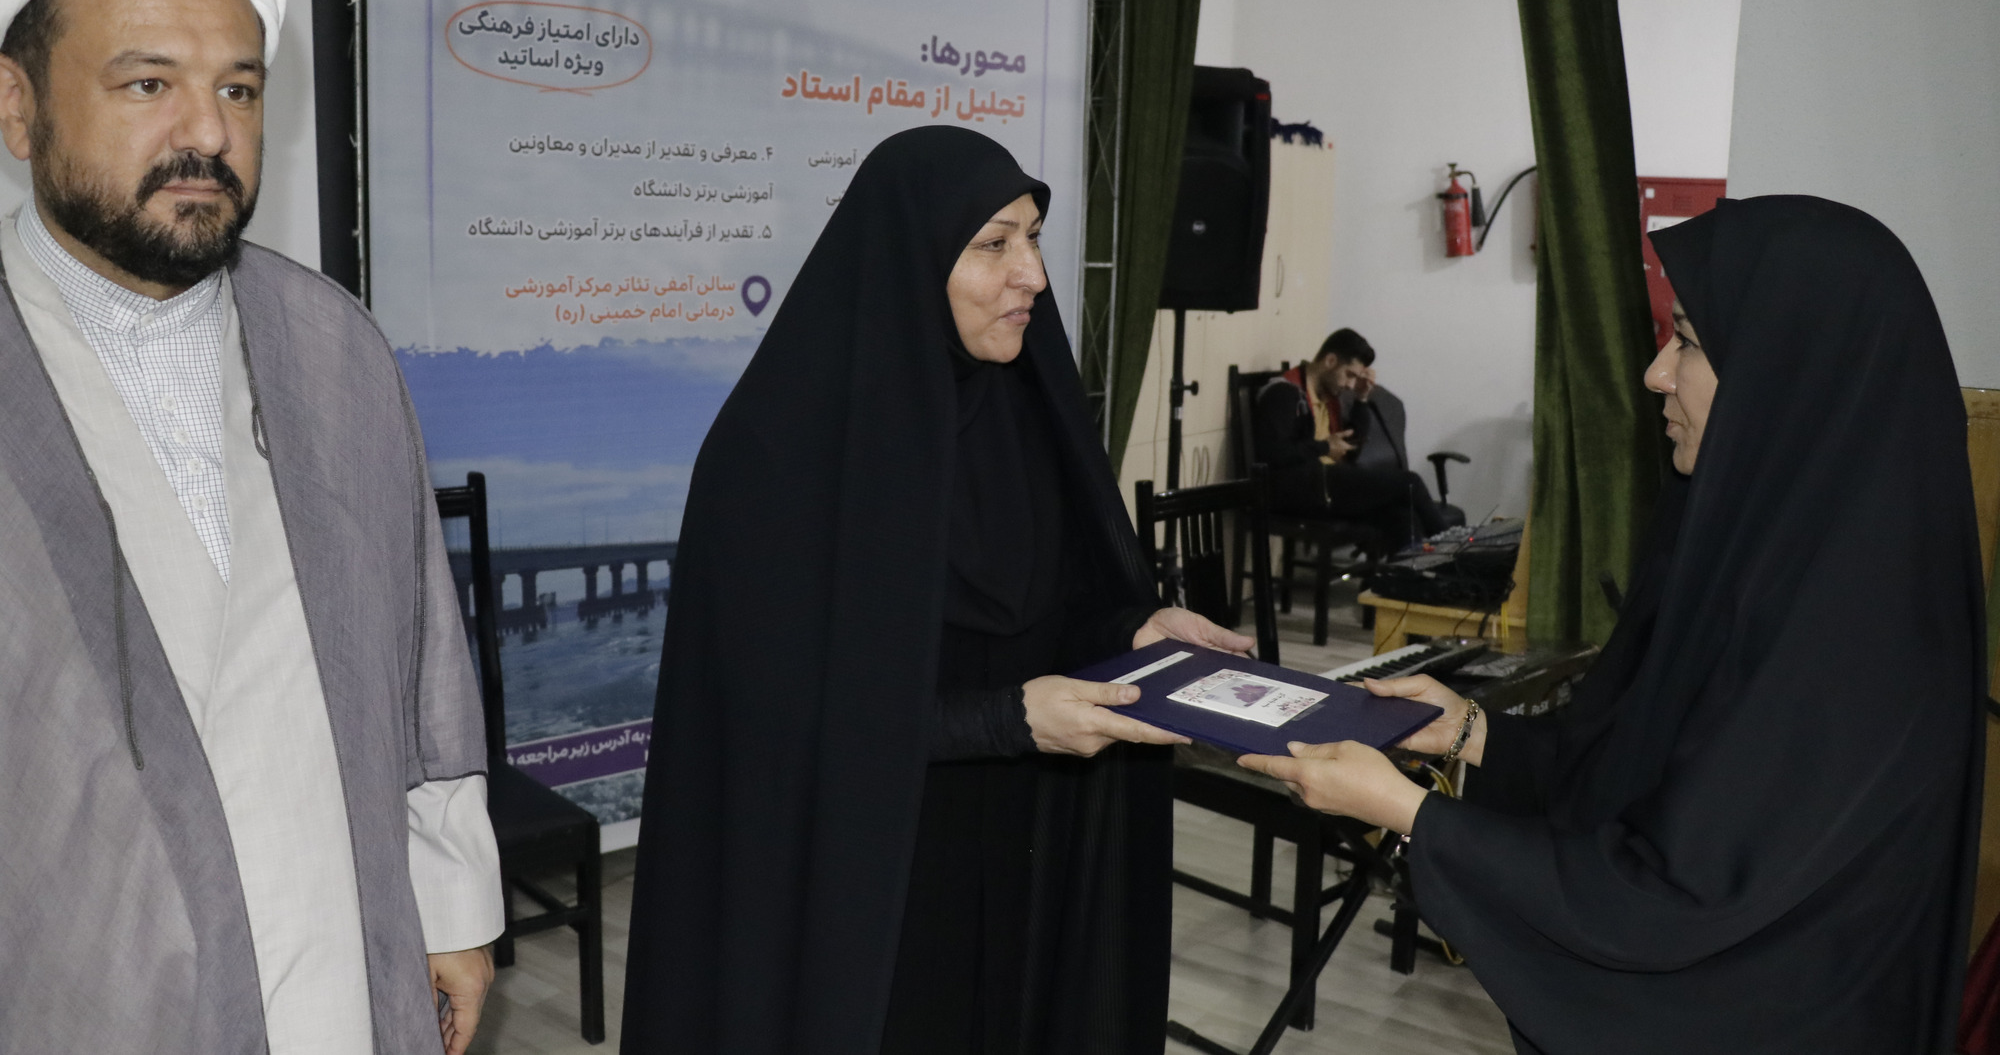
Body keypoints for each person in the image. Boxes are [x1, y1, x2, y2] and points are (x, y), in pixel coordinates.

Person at [1239, 195, 1984, 1054]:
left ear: (1789, 373)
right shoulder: (1772, 551)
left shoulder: (1859, 634)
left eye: (1688, 343)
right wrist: (1471, 731)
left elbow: (1672, 898)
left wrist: (1412, 813)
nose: (1656, 374)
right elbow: (1638, 767)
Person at [619, 126, 1252, 1055]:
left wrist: (1135, 625)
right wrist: (1004, 719)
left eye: (1033, 238)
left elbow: (1046, 602)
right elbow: (775, 715)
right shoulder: (775, 452)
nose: (1032, 275)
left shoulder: (1021, 411)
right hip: (861, 873)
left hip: (1018, 837)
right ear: (910, 261)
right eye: (993, 244)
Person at [0, 0, 502, 1054]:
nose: (208, 134)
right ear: (17, 106)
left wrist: (451, 906)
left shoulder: (334, 343)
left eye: (238, 89)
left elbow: (420, 655)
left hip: (340, 953)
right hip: (85, 994)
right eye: (148, 85)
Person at [1254, 327, 1446, 546]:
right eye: (1350, 375)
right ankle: (1458, 551)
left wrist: (1361, 399)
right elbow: (1274, 454)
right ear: (1330, 361)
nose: (1350, 384)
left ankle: (1417, 568)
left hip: (1327, 484)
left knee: (1403, 516)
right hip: (1298, 492)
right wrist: (1325, 447)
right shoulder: (1284, 393)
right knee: (1410, 482)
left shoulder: (1329, 398)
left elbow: (1352, 450)